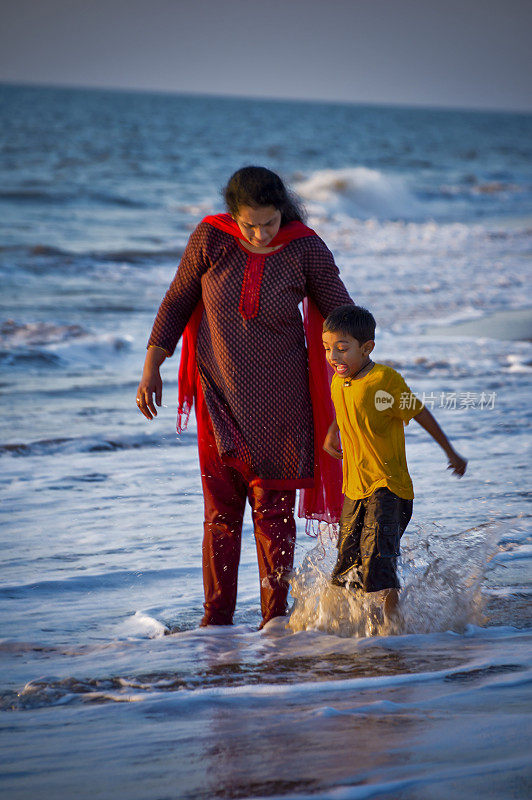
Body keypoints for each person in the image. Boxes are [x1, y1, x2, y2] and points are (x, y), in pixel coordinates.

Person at [136, 166, 352, 629]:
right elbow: (177, 299)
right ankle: (216, 626)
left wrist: (349, 395)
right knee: (220, 512)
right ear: (232, 215)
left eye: (268, 223)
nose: (258, 233)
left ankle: (275, 625)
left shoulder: (304, 247)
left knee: (273, 514)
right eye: (248, 224)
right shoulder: (210, 238)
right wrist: (153, 363)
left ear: (283, 212)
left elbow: (342, 320)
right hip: (218, 394)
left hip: (283, 401)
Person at [322, 304, 467, 620]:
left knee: (377, 562)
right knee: (348, 566)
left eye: (342, 348)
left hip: (390, 489)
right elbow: (343, 406)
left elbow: (419, 412)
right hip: (355, 489)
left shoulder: (384, 381)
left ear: (367, 347)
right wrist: (333, 432)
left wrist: (450, 452)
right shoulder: (339, 381)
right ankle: (357, 627)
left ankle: (392, 626)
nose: (334, 356)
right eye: (328, 348)